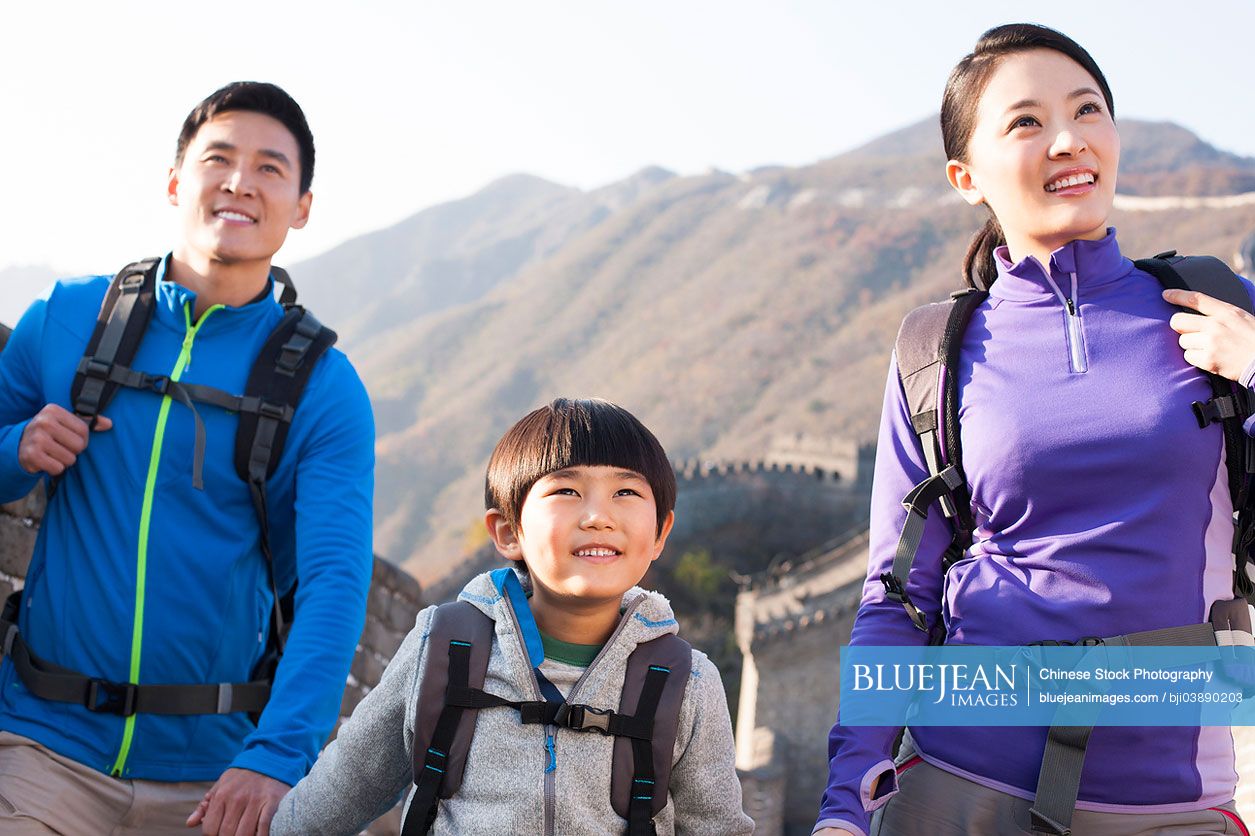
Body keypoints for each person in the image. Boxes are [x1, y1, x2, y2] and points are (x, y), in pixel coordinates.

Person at [815, 24, 1255, 836]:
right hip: (959, 784)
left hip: (1174, 802)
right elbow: (898, 594)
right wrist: (846, 803)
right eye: (1024, 122)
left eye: (1087, 111)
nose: (1066, 139)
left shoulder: (1220, 309)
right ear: (965, 175)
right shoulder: (934, 350)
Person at [0, 82, 375, 835]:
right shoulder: (67, 318)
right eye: (219, 159)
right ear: (177, 182)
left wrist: (275, 758)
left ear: (301, 205)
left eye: (271, 168)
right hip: (44, 749)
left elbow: (333, 585)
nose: (241, 182)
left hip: (215, 781)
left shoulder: (324, 390)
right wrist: (18, 448)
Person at [268, 397, 752, 835]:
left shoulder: (684, 682)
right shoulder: (446, 649)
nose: (598, 516)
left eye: (626, 493)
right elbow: (345, 788)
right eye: (566, 491)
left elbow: (717, 827)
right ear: (507, 532)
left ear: (660, 532)